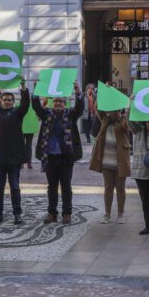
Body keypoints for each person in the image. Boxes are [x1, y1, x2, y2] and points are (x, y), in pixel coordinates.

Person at [32, 82, 85, 224]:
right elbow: (36, 106)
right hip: (50, 157)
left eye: (61, 102)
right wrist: (36, 91)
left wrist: (78, 92)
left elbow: (80, 108)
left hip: (66, 157)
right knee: (52, 187)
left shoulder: (70, 114)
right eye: (56, 101)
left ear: (65, 103)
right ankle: (52, 213)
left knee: (66, 187)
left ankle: (66, 213)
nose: (58, 104)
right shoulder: (46, 114)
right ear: (52, 102)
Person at [0, 81, 31, 225]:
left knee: (15, 186)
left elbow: (25, 104)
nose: (7, 102)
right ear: (1, 101)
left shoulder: (18, 113)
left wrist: (23, 87)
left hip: (14, 158)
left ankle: (17, 213)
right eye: (5, 100)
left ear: (13, 102)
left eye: (10, 100)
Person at [89, 108, 131, 224]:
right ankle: (107, 214)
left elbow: (127, 126)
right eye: (112, 111)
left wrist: (127, 112)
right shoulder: (105, 120)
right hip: (106, 161)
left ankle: (120, 214)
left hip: (120, 161)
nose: (113, 113)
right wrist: (103, 91)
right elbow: (98, 108)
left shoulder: (123, 120)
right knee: (108, 188)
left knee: (120, 188)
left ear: (120, 111)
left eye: (116, 111)